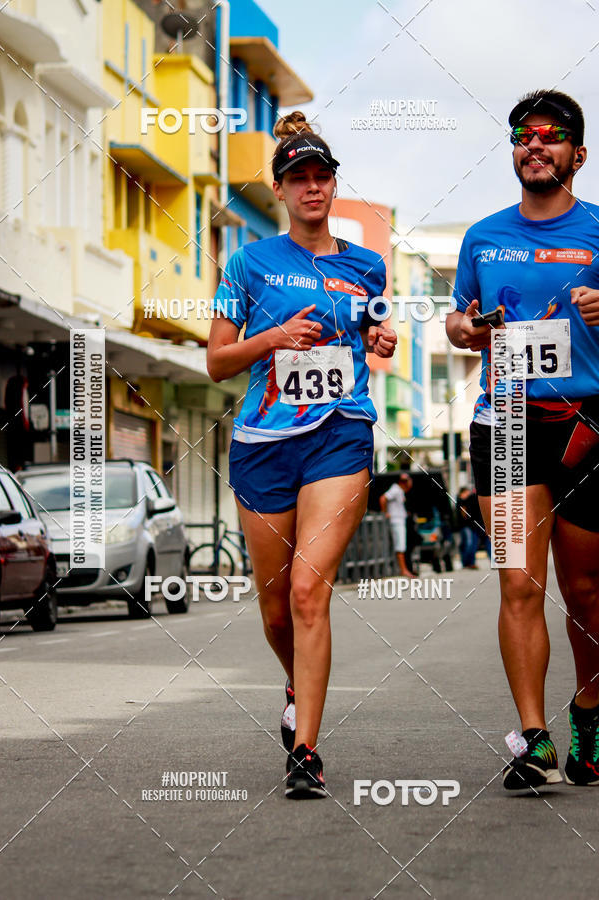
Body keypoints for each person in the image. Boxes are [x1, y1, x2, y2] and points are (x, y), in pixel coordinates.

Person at [207, 111, 397, 798]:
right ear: (282, 191)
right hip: (263, 444)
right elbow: (217, 362)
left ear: (333, 185)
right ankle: (294, 681)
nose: (312, 188)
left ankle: (307, 751)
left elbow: (376, 333)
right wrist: (275, 336)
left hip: (339, 434)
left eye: (322, 177)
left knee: (310, 592)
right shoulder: (249, 262)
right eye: (299, 179)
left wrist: (381, 343)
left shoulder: (366, 262)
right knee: (278, 608)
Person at [446, 89, 599, 792]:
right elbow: (457, 322)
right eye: (522, 136)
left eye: (551, 135)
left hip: (586, 427)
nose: (534, 145)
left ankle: (590, 712)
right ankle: (533, 739)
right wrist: (467, 329)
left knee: (590, 593)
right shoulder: (483, 236)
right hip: (504, 421)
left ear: (578, 153)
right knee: (518, 584)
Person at [380, 474, 416, 576]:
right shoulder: (395, 489)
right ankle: (403, 570)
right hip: (397, 521)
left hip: (400, 520)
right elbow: (383, 498)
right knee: (400, 546)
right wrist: (385, 513)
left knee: (401, 546)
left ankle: (403, 569)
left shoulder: (399, 491)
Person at [456, 487, 479, 569]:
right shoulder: (460, 501)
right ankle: (466, 562)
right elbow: (463, 515)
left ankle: (469, 562)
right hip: (465, 526)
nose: (468, 495)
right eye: (466, 493)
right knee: (468, 543)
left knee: (471, 544)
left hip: (469, 526)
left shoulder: (467, 501)